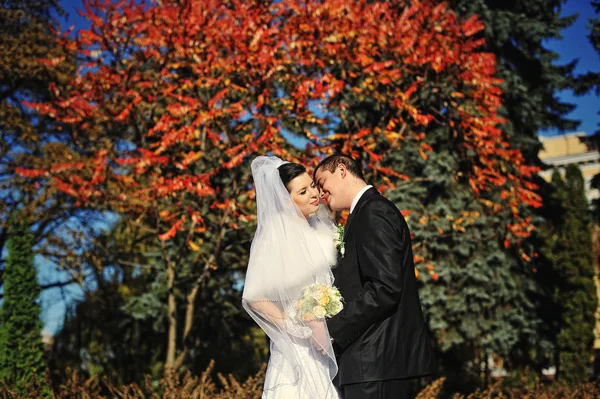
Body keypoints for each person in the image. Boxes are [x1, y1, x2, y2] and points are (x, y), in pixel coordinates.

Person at [314, 153, 437, 399]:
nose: (320, 193)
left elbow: (385, 287)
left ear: (341, 170)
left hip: (375, 362)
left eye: (321, 182)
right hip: (367, 363)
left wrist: (332, 330)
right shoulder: (363, 214)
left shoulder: (374, 212)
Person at [242, 156, 341, 399]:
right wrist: (293, 325)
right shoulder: (274, 239)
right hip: (295, 347)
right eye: (303, 191)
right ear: (286, 201)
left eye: (313, 186)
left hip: (325, 341)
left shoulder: (323, 228)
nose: (314, 194)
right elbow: (255, 296)